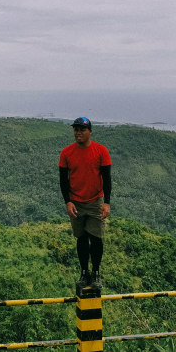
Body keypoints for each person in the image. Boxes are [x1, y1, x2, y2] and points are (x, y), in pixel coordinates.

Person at [59, 116, 111, 292]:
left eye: (81, 129)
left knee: (96, 238)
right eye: (76, 129)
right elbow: (63, 181)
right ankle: (84, 272)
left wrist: (107, 203)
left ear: (90, 132)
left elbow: (107, 178)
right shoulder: (66, 153)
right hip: (76, 202)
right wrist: (68, 202)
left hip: (95, 201)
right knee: (81, 238)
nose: (78, 132)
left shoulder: (101, 151)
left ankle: (95, 272)